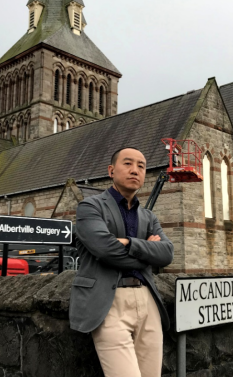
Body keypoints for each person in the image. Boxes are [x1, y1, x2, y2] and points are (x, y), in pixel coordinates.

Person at [69, 147, 174, 377]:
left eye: (141, 166)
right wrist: (146, 254)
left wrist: (128, 243)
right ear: (111, 171)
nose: (135, 170)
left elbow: (167, 253)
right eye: (127, 163)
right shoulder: (90, 207)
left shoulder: (149, 216)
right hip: (108, 302)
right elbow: (105, 249)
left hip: (147, 301)